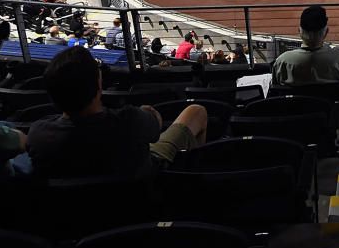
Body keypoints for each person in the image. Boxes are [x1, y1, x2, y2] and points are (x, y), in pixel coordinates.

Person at [27, 46, 209, 178]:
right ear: (98, 86)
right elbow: (155, 127)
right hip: (140, 191)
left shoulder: (38, 134)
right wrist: (147, 113)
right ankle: (194, 175)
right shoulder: (130, 120)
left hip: (80, 216)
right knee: (196, 111)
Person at [272, 5, 339, 85]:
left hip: (296, 104)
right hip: (329, 103)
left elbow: (275, 87)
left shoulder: (282, 61)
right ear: (326, 32)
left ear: (299, 32)